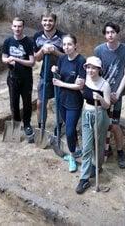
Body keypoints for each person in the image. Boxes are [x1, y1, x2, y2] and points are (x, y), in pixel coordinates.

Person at [94, 22, 125, 169]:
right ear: (105, 35)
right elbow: (96, 73)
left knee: (115, 124)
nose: (110, 35)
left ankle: (120, 151)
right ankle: (105, 147)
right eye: (107, 32)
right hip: (102, 93)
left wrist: (117, 92)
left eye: (113, 32)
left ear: (117, 33)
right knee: (102, 122)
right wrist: (105, 92)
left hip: (117, 94)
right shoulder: (99, 50)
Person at [75, 56, 111, 194]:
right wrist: (79, 86)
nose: (90, 70)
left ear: (99, 70)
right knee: (87, 147)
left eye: (93, 68)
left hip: (100, 115)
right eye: (88, 67)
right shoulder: (86, 79)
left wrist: (101, 98)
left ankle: (97, 166)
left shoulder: (105, 85)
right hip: (86, 114)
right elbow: (84, 93)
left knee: (99, 145)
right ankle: (83, 179)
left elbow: (107, 105)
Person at [51, 35, 86, 173]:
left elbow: (80, 86)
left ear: (75, 45)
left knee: (70, 130)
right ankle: (75, 149)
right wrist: (55, 70)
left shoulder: (81, 61)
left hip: (74, 101)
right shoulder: (62, 59)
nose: (66, 47)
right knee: (69, 129)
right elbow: (61, 75)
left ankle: (71, 156)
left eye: (69, 44)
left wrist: (61, 84)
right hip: (61, 99)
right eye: (64, 45)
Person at [2, 17, 35, 142]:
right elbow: (3, 58)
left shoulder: (28, 42)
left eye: (19, 26)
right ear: (12, 27)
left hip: (26, 78)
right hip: (12, 78)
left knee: (27, 103)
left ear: (23, 27)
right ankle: (16, 125)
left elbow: (32, 62)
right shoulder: (8, 41)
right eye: (15, 26)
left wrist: (16, 59)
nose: (17, 29)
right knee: (14, 104)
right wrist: (8, 60)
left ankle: (27, 124)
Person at [33, 12, 66, 129]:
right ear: (41, 22)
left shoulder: (63, 37)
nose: (47, 23)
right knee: (40, 103)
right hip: (45, 74)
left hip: (61, 75)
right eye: (45, 20)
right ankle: (41, 127)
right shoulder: (37, 36)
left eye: (50, 20)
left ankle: (59, 126)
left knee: (60, 103)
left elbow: (68, 58)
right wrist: (42, 50)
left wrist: (54, 51)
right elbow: (36, 58)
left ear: (55, 22)